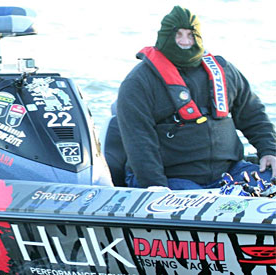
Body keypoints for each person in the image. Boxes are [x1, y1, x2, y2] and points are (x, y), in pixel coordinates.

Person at [116, 6, 276, 189]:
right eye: (178, 35)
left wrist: (269, 151)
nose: (185, 41)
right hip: (171, 178)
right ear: (165, 36)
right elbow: (139, 142)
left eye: (190, 35)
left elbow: (253, 114)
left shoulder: (224, 70)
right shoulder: (138, 82)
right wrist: (156, 188)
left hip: (229, 172)